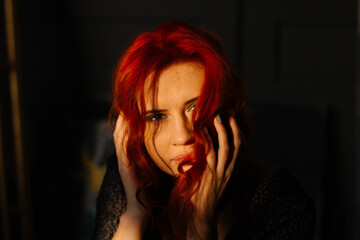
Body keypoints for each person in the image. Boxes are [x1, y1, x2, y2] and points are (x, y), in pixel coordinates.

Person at [92, 22, 316, 240]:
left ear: (229, 106)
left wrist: (201, 226)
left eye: (195, 108)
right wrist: (135, 214)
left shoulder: (281, 200)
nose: (183, 136)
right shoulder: (130, 179)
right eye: (157, 117)